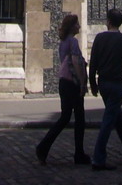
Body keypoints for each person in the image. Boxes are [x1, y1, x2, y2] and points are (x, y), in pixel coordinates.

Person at [89, 8, 122, 171]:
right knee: (108, 121)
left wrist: (92, 84)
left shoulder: (99, 38)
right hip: (117, 85)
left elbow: (93, 63)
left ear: (109, 21)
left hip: (104, 84)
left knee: (116, 119)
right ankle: (98, 159)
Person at [36, 14, 91, 165]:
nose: (79, 26)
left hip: (63, 82)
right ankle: (78, 154)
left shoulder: (63, 43)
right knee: (79, 118)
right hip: (72, 83)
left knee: (65, 117)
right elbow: (75, 62)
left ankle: (43, 147)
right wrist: (82, 83)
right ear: (72, 26)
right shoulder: (73, 41)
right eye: (77, 24)